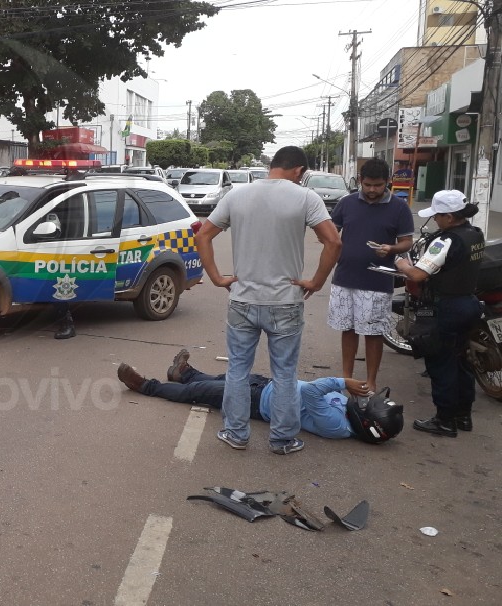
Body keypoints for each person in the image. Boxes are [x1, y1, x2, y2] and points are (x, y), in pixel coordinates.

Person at [195, 146, 342, 455]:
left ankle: (236, 434)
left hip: (243, 300)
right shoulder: (306, 198)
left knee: (237, 370)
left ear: (274, 165)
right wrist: (316, 281)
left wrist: (217, 278)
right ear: (299, 171)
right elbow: (333, 241)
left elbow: (203, 236)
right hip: (285, 302)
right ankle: (283, 440)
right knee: (285, 374)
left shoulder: (236, 195)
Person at [116, 349, 404, 444]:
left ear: (368, 424)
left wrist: (343, 381)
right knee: (220, 379)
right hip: (269, 387)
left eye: (368, 404)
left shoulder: (336, 425)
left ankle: (145, 386)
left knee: (199, 393)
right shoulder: (348, 414)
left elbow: (313, 390)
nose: (363, 398)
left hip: (258, 403)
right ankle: (185, 372)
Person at [393, 190, 484, 437]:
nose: (435, 220)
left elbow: (418, 275)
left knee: (441, 363)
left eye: (438, 216)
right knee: (462, 361)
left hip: (445, 308)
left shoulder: (446, 240)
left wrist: (402, 264)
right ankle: (463, 416)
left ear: (451, 217)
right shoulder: (474, 234)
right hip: (469, 304)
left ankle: (444, 420)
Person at [327, 158, 415, 393]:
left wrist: (391, 249)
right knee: (348, 329)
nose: (372, 190)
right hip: (345, 277)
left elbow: (407, 241)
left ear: (387, 182)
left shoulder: (399, 207)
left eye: (377, 185)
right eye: (367, 185)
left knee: (373, 333)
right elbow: (332, 233)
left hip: (377, 281)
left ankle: (370, 382)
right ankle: (346, 379)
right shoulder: (346, 203)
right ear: (360, 182)